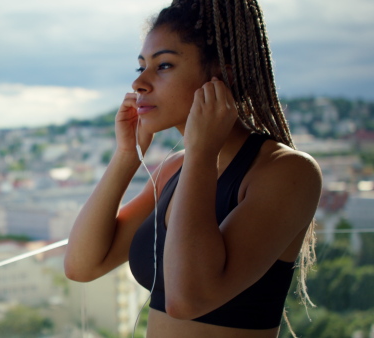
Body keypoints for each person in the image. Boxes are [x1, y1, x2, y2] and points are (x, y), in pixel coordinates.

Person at [63, 0, 322, 337]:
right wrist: (127, 155)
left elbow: (187, 299)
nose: (139, 84)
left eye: (164, 65)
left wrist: (200, 154)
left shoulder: (286, 171)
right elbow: (82, 265)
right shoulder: (174, 169)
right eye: (140, 67)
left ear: (222, 76)